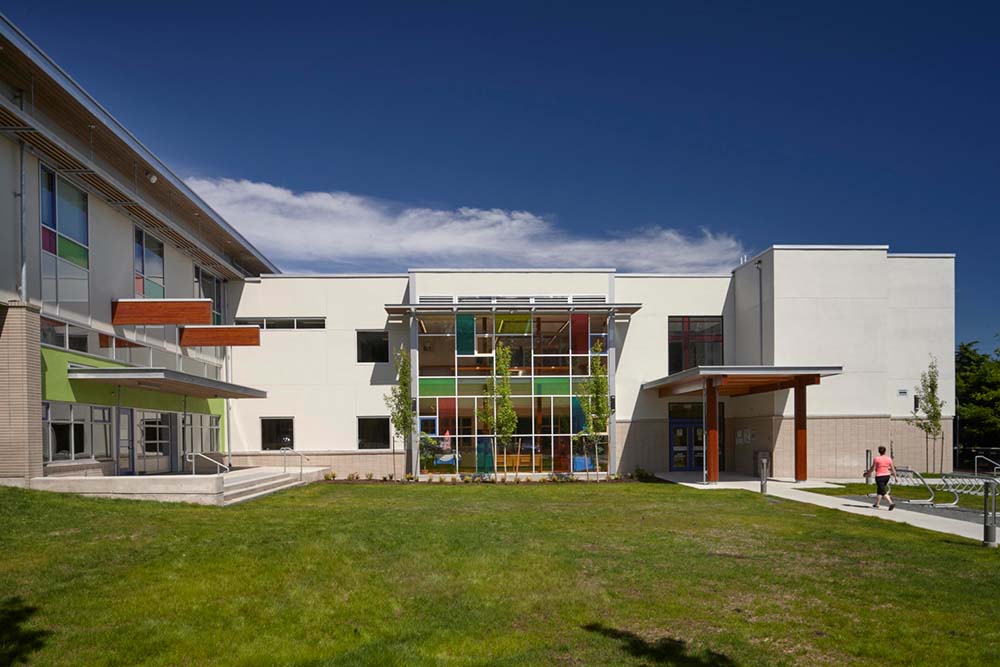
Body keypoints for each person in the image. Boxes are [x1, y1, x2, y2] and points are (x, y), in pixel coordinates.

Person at [864, 446, 897, 510]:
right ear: (885, 451)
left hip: (879, 476)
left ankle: (891, 503)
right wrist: (895, 477)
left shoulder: (876, 459)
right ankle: (877, 504)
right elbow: (893, 469)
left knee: (882, 491)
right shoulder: (889, 459)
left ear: (879, 451)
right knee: (880, 490)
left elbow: (872, 468)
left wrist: (868, 473)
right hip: (887, 476)